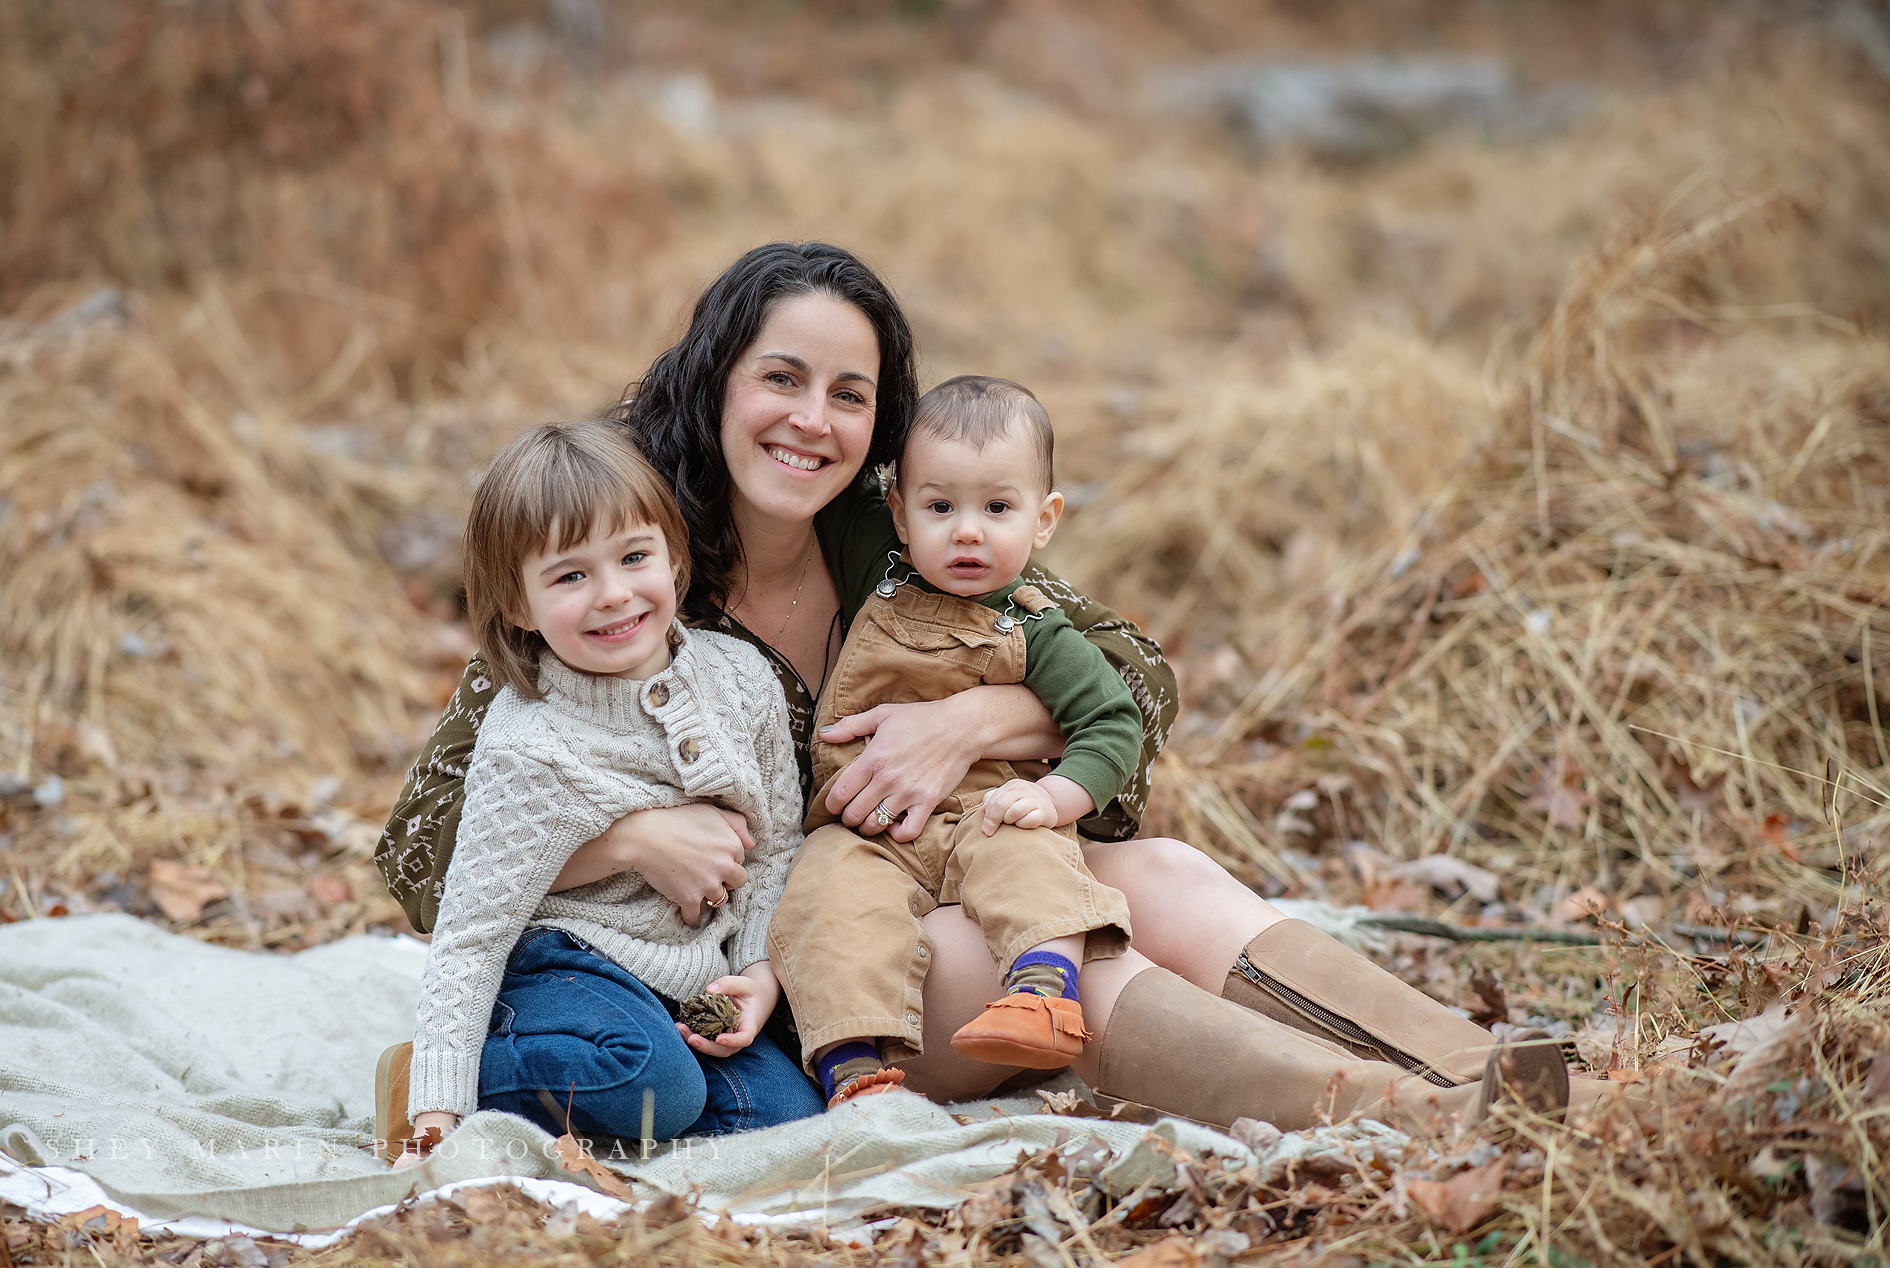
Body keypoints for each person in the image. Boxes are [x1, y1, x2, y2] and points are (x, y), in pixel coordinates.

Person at [375, 240, 1571, 1143]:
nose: (812, 420)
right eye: (780, 378)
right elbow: (427, 855)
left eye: (850, 394)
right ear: (713, 376)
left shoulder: (896, 536)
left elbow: (1133, 680)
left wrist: (974, 719)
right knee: (1064, 949)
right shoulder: (617, 553)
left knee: (1163, 874)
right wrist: (633, 834)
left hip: (910, 883)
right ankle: (1386, 1116)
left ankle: (1494, 1073)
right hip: (773, 986)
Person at [377, 421, 822, 1167]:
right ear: (519, 605)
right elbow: (471, 934)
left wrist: (757, 973)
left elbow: (775, 848)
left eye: (634, 557)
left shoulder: (743, 681)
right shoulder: (530, 740)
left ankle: (619, 1097)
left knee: (786, 1118)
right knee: (656, 1080)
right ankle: (443, 1071)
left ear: (674, 559)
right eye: (569, 576)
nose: (613, 594)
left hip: (688, 978)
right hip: (564, 962)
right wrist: (435, 1110)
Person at [774, 375, 1144, 1107]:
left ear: (1044, 521)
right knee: (827, 897)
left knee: (1032, 857)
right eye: (941, 507)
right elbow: (828, 482)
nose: (967, 530)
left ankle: (1043, 994)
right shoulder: (875, 569)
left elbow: (1113, 722)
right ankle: (850, 1059)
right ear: (900, 515)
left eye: (997, 508)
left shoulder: (1038, 628)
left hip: (987, 805)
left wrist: (1051, 795)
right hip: (866, 827)